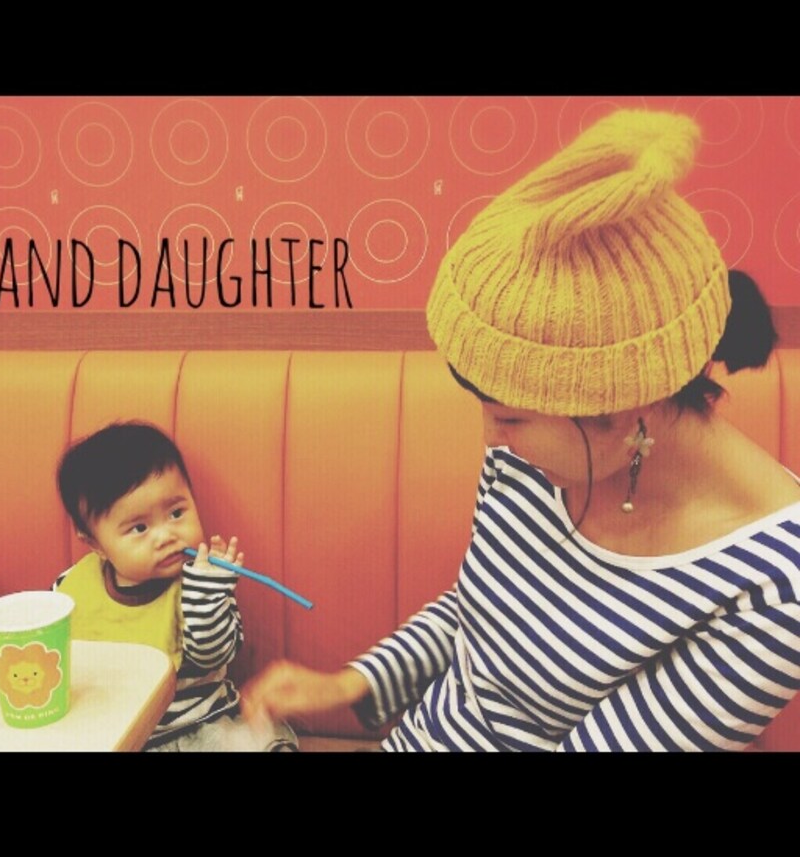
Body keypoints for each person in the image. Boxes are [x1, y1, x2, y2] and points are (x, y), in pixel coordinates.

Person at [241, 109, 800, 751]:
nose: (491, 439)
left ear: (627, 404)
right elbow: (488, 622)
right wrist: (350, 685)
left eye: (509, 417)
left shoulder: (772, 588)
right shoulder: (542, 453)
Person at [56, 422, 298, 751]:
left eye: (176, 513)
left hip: (206, 725)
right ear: (95, 543)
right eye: (139, 528)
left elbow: (214, 654)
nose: (166, 535)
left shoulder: (204, 582)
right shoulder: (72, 588)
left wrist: (208, 594)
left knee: (258, 740)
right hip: (123, 737)